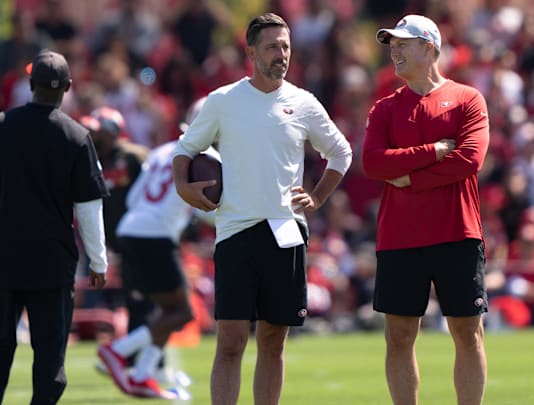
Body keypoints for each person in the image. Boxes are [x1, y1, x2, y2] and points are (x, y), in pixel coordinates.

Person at [169, 13, 352, 404]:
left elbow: (340, 152)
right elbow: (185, 148)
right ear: (251, 52)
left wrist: (317, 197)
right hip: (235, 232)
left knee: (273, 341)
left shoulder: (303, 102)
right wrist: (184, 187)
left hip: (286, 230)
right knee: (231, 341)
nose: (281, 53)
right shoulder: (223, 101)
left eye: (285, 46)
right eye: (272, 46)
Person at [363, 15, 491, 405]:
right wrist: (433, 151)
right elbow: (374, 164)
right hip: (400, 236)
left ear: (430, 47)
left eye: (404, 42)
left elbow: (469, 159)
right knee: (399, 336)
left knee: (468, 332)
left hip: (457, 232)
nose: (394, 50)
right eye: (392, 43)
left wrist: (411, 177)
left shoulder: (468, 98)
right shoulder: (384, 108)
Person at [0, 50, 109, 404]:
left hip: (4, 260)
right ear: (69, 87)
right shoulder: (76, 136)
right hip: (51, 264)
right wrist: (99, 261)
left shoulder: (4, 126)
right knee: (49, 362)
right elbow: (89, 207)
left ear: (30, 85)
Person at [96, 98, 213, 399]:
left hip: (131, 229)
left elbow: (135, 197)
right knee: (183, 312)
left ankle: (143, 373)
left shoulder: (163, 151)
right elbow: (207, 209)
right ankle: (117, 351)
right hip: (155, 235)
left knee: (167, 309)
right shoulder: (207, 159)